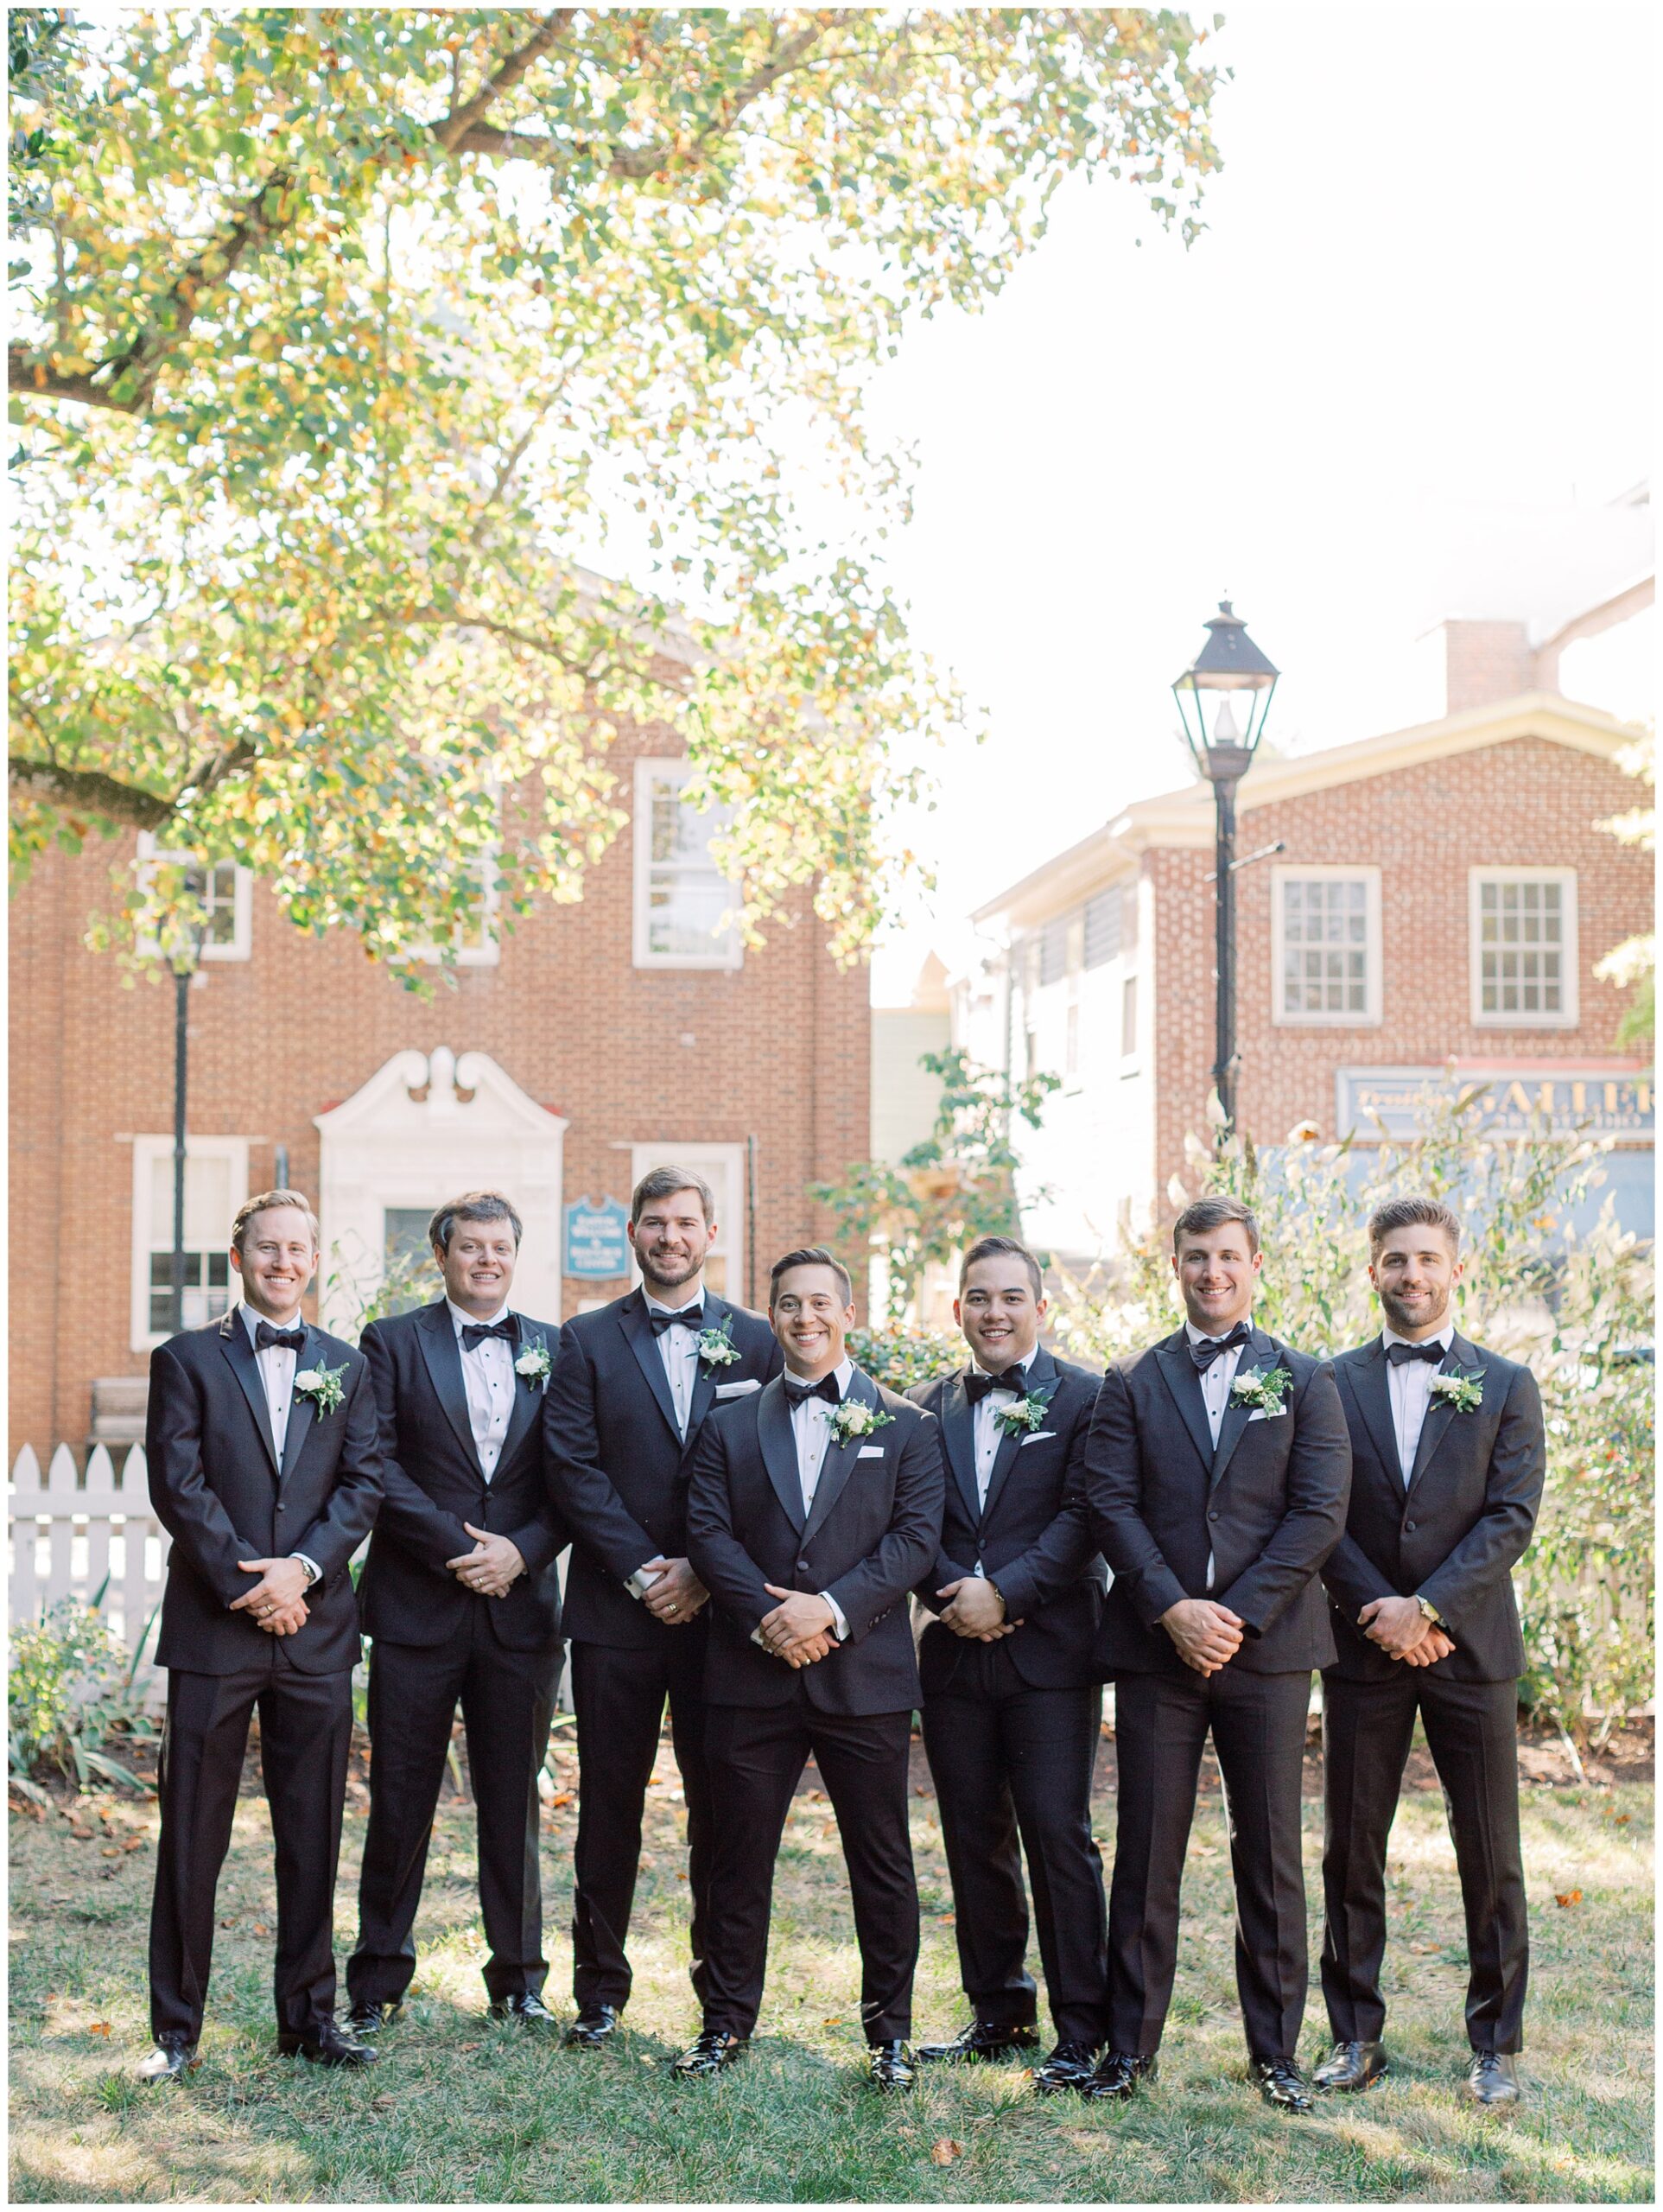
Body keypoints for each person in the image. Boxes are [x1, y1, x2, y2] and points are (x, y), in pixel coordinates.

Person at [1082, 1196, 1350, 2112]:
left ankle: (1274, 2051)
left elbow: (1315, 1513)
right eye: (1196, 1256)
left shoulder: (1304, 1379)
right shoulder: (1129, 1379)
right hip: (1157, 1649)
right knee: (1145, 1848)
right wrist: (1171, 1610)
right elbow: (1109, 1501)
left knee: (1268, 1849)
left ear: (1254, 1263)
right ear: (1174, 1264)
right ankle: (1128, 2049)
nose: (1211, 1272)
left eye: (1227, 1256)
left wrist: (1228, 1616)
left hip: (1267, 1649)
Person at [679, 1247, 945, 2091]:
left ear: (845, 1310)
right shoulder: (725, 1425)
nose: (804, 1318)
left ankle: (890, 2035)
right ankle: (724, 2024)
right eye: (788, 1304)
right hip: (749, 1672)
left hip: (860, 1674)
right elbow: (707, 1534)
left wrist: (824, 1611)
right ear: (771, 1315)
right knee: (733, 1855)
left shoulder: (906, 1425)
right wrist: (767, 1616)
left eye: (819, 1302)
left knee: (880, 1858)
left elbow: (911, 1542)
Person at [139, 1190, 383, 2082]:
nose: (283, 1262)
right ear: (237, 1255)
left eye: (297, 1249)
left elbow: (361, 1487)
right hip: (215, 1628)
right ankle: (176, 2031)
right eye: (267, 1247)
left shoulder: (348, 1367)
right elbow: (180, 1483)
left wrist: (304, 1573)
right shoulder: (185, 1359)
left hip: (314, 1633)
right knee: (191, 1835)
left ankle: (309, 2019)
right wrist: (253, 1580)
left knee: (312, 1831)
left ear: (313, 1260)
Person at [1316, 1195, 1543, 2108]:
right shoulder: (1327, 1383)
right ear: (1371, 1270)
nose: (1411, 1274)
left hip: (1469, 1645)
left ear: (1454, 1270)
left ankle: (1493, 2042)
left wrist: (1430, 1606)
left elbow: (1509, 1516)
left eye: (1425, 1259)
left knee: (1488, 1848)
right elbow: (1317, 1512)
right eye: (1394, 1260)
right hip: (1364, 1645)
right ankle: (1353, 2034)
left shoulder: (1505, 1382)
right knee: (1349, 1849)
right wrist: (1381, 1609)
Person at [546, 1167, 780, 2047]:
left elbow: (771, 1477)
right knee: (608, 1805)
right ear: (633, 1235)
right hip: (616, 1615)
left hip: (724, 1623)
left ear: (709, 1232)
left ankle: (720, 1998)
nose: (669, 1236)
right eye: (654, 1222)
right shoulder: (586, 1340)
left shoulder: (759, 1343)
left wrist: (704, 1572)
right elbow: (572, 1468)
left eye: (684, 1221)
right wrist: (646, 1568)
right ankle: (599, 1994)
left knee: (720, 1808)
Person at [346, 1192, 567, 2036]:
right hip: (417, 1606)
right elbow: (377, 1461)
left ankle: (518, 1977)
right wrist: (458, 1547)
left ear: (516, 1254)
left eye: (499, 1247)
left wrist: (522, 1550)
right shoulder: (393, 1341)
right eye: (469, 1246)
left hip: (520, 1609)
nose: (485, 1260)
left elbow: (573, 1474)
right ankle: (376, 1978)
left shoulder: (555, 1348)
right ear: (440, 1256)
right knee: (400, 1794)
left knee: (512, 1800)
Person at [907, 1235, 1108, 2094]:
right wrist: (958, 1591)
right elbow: (909, 1523)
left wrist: (1008, 1593)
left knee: (1056, 1835)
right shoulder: (922, 1407)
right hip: (954, 1654)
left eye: (1010, 1298)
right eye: (977, 1298)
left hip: (1052, 1654)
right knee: (972, 1837)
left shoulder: (1091, 1399)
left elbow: (1087, 1515)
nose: (994, 1313)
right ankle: (998, 2010)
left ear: (1039, 1307)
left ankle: (1082, 2025)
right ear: (957, 1310)